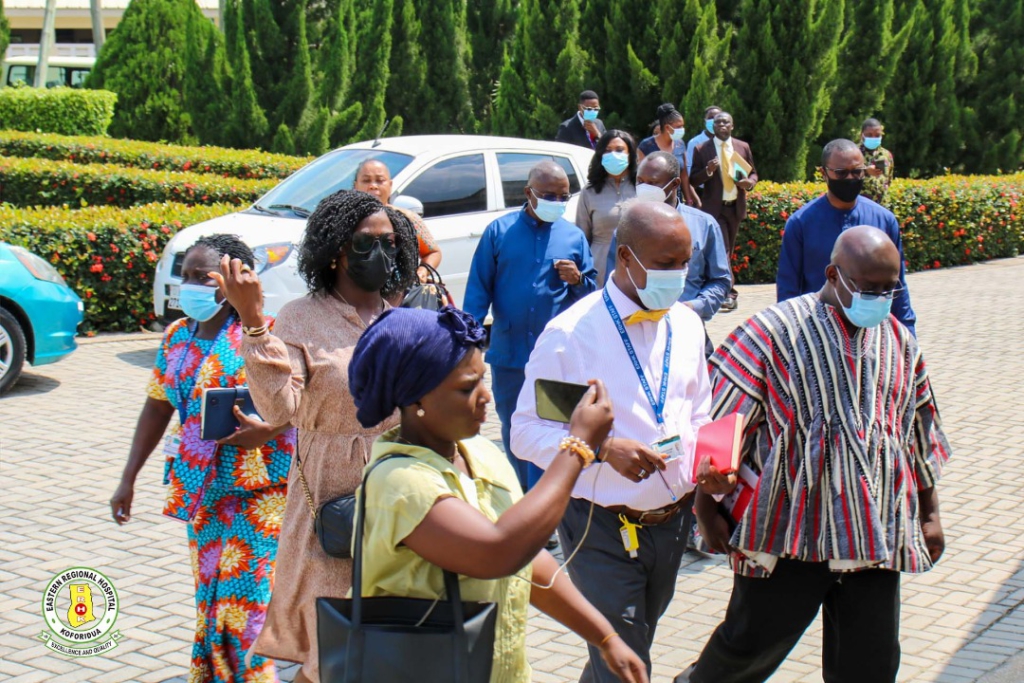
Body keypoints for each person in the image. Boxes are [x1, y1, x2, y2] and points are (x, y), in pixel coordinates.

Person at [674, 226, 950, 683]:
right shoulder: (770, 332)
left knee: (870, 664)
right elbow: (720, 428)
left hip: (873, 530)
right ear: (834, 274)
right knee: (743, 653)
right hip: (789, 530)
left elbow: (916, 428)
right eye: (869, 288)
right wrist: (706, 510)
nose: (881, 299)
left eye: (890, 288)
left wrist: (929, 511)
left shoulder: (899, 339)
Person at [348, 306, 649, 683]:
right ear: (415, 401)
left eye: (483, 380)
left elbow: (526, 559)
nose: (486, 396)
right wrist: (578, 449)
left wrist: (605, 637)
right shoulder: (399, 481)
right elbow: (498, 551)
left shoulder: (481, 454)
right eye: (466, 387)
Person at [512, 200, 734, 682]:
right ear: (626, 259)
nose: (679, 276)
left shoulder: (688, 324)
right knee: (628, 662)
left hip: (671, 523)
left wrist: (707, 471)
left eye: (685, 263)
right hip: (600, 527)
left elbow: (697, 411)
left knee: (624, 651)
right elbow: (525, 430)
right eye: (666, 264)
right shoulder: (570, 335)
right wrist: (603, 448)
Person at [214, 189, 419, 683]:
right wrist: (254, 323)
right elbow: (281, 406)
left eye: (389, 242)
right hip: (331, 493)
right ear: (335, 250)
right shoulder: (302, 316)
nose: (380, 253)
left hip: (402, 488)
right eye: (365, 242)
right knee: (327, 646)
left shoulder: (401, 315)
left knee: (390, 636)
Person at [111, 234, 296, 683]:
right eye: (186, 275)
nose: (190, 284)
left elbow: (300, 403)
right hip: (203, 489)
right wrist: (128, 478)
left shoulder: (263, 333)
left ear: (233, 280)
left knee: (245, 605)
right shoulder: (177, 336)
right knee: (211, 599)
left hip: (261, 489)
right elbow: (157, 406)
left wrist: (267, 429)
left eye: (203, 276)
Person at [465, 160, 598, 492]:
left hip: (555, 357)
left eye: (563, 196)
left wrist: (578, 279)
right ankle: (524, 496)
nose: (557, 202)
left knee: (555, 428)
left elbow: (593, 294)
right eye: (549, 195)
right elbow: (478, 290)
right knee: (514, 431)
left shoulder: (573, 236)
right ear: (528, 193)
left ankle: (549, 499)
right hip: (509, 355)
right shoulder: (499, 231)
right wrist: (466, 343)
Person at [776, 138, 916, 335]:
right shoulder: (801, 223)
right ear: (824, 173)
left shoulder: (884, 220)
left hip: (873, 333)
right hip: (818, 332)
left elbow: (897, 285)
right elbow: (788, 291)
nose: (850, 178)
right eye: (841, 173)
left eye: (857, 172)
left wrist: (908, 337)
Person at [604, 151, 731, 354]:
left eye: (652, 183)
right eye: (640, 181)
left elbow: (720, 280)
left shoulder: (703, 225)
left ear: (674, 184)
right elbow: (612, 280)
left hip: (687, 333)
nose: (644, 188)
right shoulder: (626, 228)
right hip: (634, 335)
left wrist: (694, 307)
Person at [689, 111, 758, 311]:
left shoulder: (742, 147)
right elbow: (693, 179)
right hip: (714, 209)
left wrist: (749, 183)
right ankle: (728, 293)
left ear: (732, 125)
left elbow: (753, 173)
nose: (722, 125)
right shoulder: (703, 149)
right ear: (713, 126)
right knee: (724, 250)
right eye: (718, 122)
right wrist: (708, 171)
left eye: (725, 122)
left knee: (729, 249)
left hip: (735, 206)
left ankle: (721, 289)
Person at [353, 157, 442, 283]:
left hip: (398, 296)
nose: (373, 186)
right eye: (366, 180)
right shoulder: (345, 221)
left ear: (390, 185)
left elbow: (433, 252)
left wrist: (422, 272)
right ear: (356, 186)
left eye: (380, 181)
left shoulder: (406, 219)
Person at [576, 129, 638, 286]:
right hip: (600, 268)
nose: (613, 155)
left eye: (619, 150)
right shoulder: (590, 192)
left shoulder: (643, 187)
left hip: (637, 265)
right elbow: (582, 238)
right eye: (607, 151)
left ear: (630, 154)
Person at [637, 103, 700, 207]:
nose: (682, 129)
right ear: (667, 127)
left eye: (683, 126)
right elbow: (640, 178)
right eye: (679, 127)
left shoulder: (680, 144)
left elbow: (684, 176)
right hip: (653, 201)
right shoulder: (646, 146)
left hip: (676, 201)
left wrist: (689, 200)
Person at [859, 117, 895, 204]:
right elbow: (845, 174)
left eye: (877, 135)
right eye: (869, 135)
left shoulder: (887, 155)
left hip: (882, 206)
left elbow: (889, 179)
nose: (873, 138)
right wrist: (866, 171)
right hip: (860, 206)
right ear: (862, 135)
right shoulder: (853, 153)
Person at [685, 105, 722, 175]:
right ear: (705, 121)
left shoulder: (727, 142)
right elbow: (689, 168)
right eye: (711, 117)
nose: (714, 120)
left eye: (717, 117)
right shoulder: (695, 142)